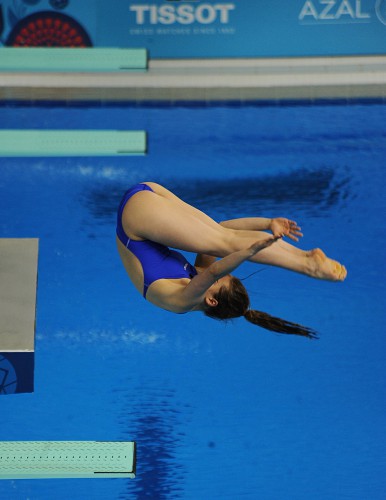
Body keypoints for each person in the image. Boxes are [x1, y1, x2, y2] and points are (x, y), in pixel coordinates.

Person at [116, 182, 347, 339]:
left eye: (222, 281)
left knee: (226, 243)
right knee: (222, 237)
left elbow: (216, 270)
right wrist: (266, 223)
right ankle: (305, 259)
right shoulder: (201, 284)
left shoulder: (182, 302)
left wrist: (249, 252)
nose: (217, 276)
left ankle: (308, 265)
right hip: (145, 201)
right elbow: (226, 228)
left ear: (212, 302)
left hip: (136, 217)